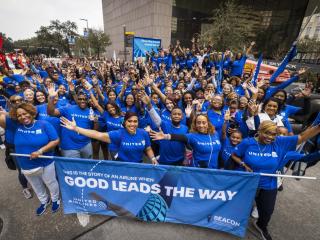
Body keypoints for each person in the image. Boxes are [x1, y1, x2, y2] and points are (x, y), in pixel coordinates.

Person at [231, 120, 320, 240]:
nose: (270, 137)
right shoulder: (247, 143)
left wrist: (319, 127)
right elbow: (234, 155)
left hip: (268, 185)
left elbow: (302, 136)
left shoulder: (280, 142)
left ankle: (260, 226)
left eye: (273, 134)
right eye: (267, 133)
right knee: (240, 208)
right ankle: (233, 224)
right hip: (248, 183)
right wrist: (243, 164)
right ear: (259, 131)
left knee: (267, 211)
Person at [0, 103, 60, 216]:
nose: (23, 117)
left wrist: (40, 151)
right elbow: (2, 118)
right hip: (26, 164)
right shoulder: (16, 126)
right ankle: (44, 201)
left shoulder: (44, 124)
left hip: (45, 162)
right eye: (19, 115)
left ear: (32, 113)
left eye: (25, 113)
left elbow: (55, 140)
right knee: (36, 185)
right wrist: (5, 112)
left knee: (51, 182)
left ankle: (55, 199)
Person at [60, 111, 158, 164]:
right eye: (129, 121)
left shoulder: (143, 133)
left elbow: (148, 148)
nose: (132, 124)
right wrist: (76, 128)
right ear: (125, 122)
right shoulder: (118, 134)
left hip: (138, 167)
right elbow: (97, 134)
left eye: (135, 121)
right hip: (122, 168)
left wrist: (153, 158)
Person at [150, 114, 221, 169]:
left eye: (204, 122)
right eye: (198, 123)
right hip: (198, 170)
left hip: (213, 170)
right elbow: (179, 137)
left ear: (208, 123)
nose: (201, 125)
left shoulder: (215, 134)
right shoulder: (192, 136)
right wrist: (165, 136)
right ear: (195, 125)